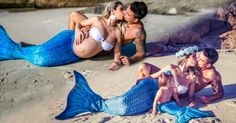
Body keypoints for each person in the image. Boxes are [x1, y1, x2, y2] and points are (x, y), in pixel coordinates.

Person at [0, 0, 124, 67]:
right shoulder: (98, 20)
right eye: (121, 9)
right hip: (68, 41)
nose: (123, 12)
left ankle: (28, 46)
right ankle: (16, 47)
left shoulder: (117, 32)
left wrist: (116, 62)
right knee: (40, 59)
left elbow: (117, 52)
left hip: (74, 56)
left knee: (43, 60)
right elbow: (79, 23)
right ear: (113, 10)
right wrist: (76, 32)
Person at [68, 1, 148, 70]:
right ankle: (70, 38)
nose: (124, 12)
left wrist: (131, 59)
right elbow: (105, 20)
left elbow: (141, 52)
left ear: (135, 20)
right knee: (74, 15)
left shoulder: (137, 31)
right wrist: (79, 30)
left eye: (128, 14)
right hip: (100, 33)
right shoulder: (121, 16)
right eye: (125, 9)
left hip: (103, 48)